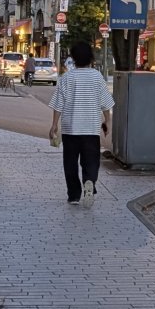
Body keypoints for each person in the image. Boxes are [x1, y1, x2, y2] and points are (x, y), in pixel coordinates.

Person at [49, 40, 114, 204]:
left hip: (70, 128)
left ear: (73, 58)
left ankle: (74, 195)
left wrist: (54, 125)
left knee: (70, 163)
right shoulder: (97, 77)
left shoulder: (66, 77)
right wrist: (108, 122)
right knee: (91, 161)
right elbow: (105, 102)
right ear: (91, 58)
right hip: (91, 128)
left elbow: (58, 104)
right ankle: (89, 181)